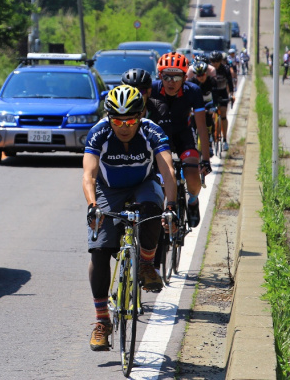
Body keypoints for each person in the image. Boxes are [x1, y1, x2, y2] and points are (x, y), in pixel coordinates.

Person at [83, 85, 178, 351]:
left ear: (141, 115)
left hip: (142, 183)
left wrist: (171, 205)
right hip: (108, 188)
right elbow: (88, 175)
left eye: (130, 120)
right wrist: (92, 205)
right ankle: (102, 322)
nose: (124, 126)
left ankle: (147, 263)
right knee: (100, 251)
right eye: (117, 120)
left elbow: (167, 170)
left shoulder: (151, 131)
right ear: (108, 117)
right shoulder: (99, 132)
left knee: (151, 212)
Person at [150, 52, 211, 227]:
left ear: (185, 77)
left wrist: (205, 159)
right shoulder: (152, 89)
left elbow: (201, 127)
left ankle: (192, 201)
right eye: (166, 76)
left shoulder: (193, 91)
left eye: (176, 76)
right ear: (160, 75)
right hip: (160, 137)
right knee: (159, 182)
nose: (171, 81)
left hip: (183, 135)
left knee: (192, 175)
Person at [208, 51, 235, 150]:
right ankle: (211, 136)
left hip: (222, 92)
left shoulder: (226, 69)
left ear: (220, 61)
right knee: (210, 115)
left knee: (223, 114)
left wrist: (231, 94)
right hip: (212, 93)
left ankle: (225, 140)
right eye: (212, 61)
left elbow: (230, 83)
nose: (214, 63)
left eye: (217, 61)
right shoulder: (209, 70)